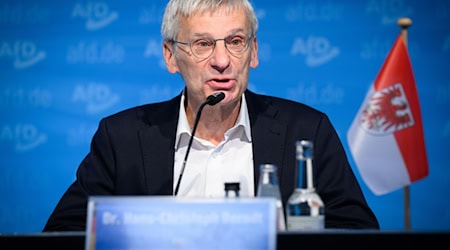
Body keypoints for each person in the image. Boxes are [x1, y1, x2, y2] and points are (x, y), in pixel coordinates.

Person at [43, 0, 379, 231]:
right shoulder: (122, 138)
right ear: (171, 56)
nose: (222, 60)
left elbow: (355, 231)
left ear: (254, 51)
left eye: (235, 41)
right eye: (203, 44)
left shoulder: (306, 131)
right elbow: (65, 232)